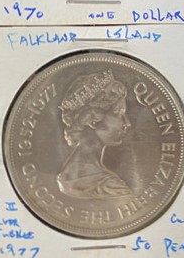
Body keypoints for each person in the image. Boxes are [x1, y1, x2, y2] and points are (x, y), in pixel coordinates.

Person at [57, 70, 133, 199]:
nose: (127, 123)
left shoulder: (65, 177)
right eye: (119, 113)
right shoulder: (111, 186)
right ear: (93, 120)